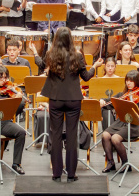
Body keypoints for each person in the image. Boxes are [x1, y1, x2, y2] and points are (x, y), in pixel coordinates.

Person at [41, 27, 102, 181]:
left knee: (55, 135)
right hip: (74, 99)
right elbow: (86, 77)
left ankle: (56, 173)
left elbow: (43, 67)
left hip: (55, 99)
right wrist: (94, 67)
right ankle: (71, 174)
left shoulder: (50, 55)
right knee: (72, 135)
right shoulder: (78, 56)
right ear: (70, 39)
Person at [101, 70, 139, 172]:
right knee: (105, 135)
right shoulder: (123, 93)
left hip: (134, 124)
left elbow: (137, 111)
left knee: (115, 138)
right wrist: (102, 101)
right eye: (127, 80)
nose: (128, 83)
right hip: (121, 122)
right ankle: (111, 162)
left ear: (137, 81)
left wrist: (128, 103)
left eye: (131, 81)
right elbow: (111, 101)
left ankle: (126, 163)